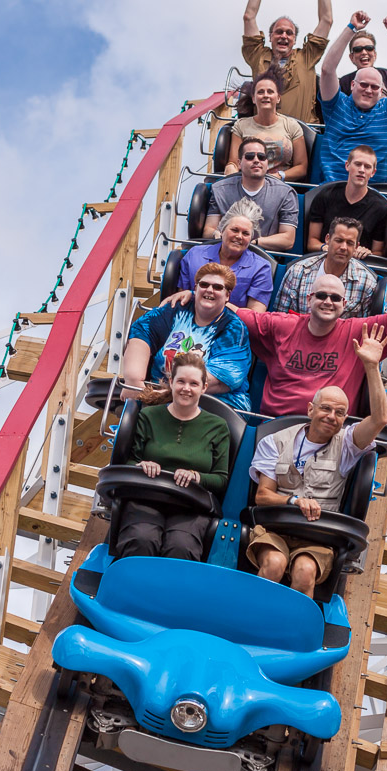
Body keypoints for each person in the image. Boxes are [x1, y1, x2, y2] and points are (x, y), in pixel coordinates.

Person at [237, 257, 387, 416]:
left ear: (344, 304)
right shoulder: (283, 325)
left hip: (329, 430)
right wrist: (199, 295)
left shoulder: (358, 331)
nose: (327, 302)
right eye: (321, 295)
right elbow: (237, 313)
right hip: (275, 425)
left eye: (335, 298)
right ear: (309, 299)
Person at [247, 324, 387, 597]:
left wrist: (371, 367)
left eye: (339, 413)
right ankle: (253, 622)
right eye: (325, 408)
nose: (331, 416)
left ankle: (292, 636)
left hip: (318, 535)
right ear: (310, 409)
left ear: (345, 419)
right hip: (277, 526)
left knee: (304, 571)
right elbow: (263, 496)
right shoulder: (275, 440)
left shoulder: (347, 445)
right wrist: (294, 501)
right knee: (274, 563)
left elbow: (380, 419)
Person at [115, 352, 230, 561]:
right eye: (181, 381)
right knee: (142, 539)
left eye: (194, 383)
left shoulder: (218, 426)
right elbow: (129, 461)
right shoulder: (149, 416)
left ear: (204, 387)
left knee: (181, 546)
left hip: (190, 505)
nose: (186, 388)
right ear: (171, 382)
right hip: (147, 498)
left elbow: (221, 479)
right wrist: (142, 465)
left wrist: (196, 476)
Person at [121, 263, 251, 411]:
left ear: (227, 295)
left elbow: (223, 378)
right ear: (195, 289)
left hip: (214, 403)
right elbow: (141, 333)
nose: (209, 290)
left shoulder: (233, 328)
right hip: (158, 397)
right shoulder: (175, 309)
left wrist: (173, 392)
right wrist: (133, 381)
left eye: (217, 287)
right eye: (204, 284)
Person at [319, 12, 387, 183]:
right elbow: (327, 70)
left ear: (381, 90)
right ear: (352, 85)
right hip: (333, 188)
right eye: (363, 85)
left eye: (374, 87)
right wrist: (351, 28)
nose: (368, 90)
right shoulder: (336, 106)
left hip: (374, 193)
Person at [242, 0, 332, 124]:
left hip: (303, 134)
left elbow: (326, 20)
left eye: (289, 33)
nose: (284, 36)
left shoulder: (306, 57)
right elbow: (249, 17)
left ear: (295, 39)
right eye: (279, 32)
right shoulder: (258, 56)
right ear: (270, 36)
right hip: (265, 133)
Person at [204, 137, 298, 250]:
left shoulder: (285, 193)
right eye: (250, 156)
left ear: (267, 164)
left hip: (264, 257)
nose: (256, 160)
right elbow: (208, 230)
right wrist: (216, 234)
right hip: (225, 251)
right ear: (239, 163)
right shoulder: (220, 190)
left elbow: (288, 240)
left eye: (262, 157)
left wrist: (253, 243)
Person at [179, 199, 273, 312]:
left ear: (251, 238)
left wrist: (212, 301)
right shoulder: (195, 255)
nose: (239, 236)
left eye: (245, 233)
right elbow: (182, 299)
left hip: (234, 327)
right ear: (222, 231)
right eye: (234, 230)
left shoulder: (261, 268)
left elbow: (255, 317)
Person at [275, 218, 377, 318]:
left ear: (356, 246)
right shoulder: (297, 271)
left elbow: (362, 327)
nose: (343, 247)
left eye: (350, 243)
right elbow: (280, 319)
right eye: (339, 240)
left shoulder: (367, 282)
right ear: (327, 239)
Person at [226, 68, 308, 181]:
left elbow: (301, 167)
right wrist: (230, 171)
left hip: (280, 186)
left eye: (270, 92)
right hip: (249, 183)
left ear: (278, 98)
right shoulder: (241, 126)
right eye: (260, 92)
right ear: (254, 98)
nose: (265, 95)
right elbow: (234, 162)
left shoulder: (292, 126)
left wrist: (278, 177)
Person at [306, 145, 387, 255]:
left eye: (367, 167)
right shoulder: (325, 195)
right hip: (325, 257)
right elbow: (312, 242)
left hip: (359, 264)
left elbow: (378, 251)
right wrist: (326, 247)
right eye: (357, 164)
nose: (361, 170)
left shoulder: (380, 207)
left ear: (373, 172)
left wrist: (367, 253)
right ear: (347, 165)